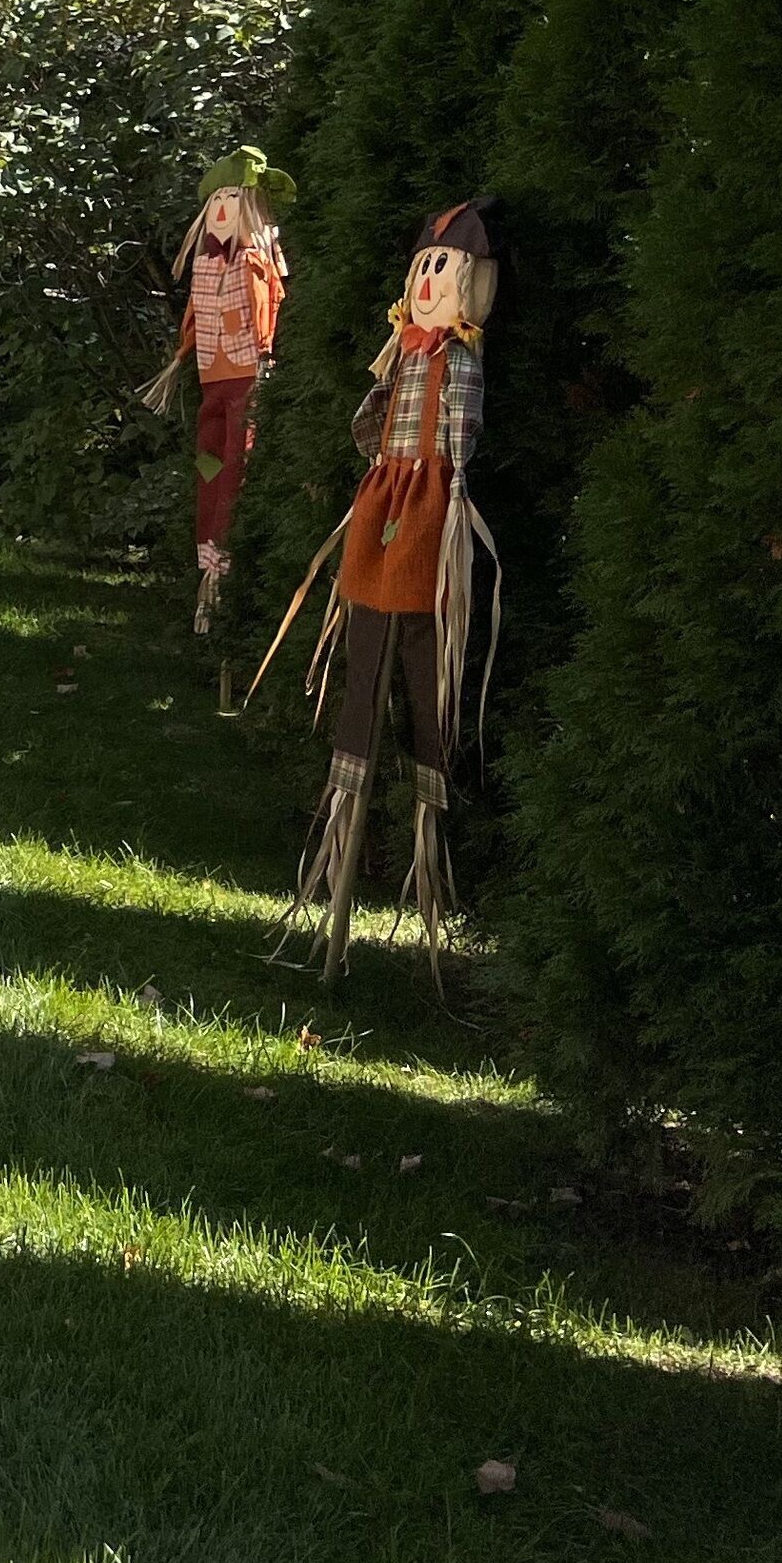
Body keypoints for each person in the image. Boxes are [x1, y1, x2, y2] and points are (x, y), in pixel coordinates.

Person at [250, 201, 498, 989]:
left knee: (422, 665)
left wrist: (449, 492)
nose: (428, 280)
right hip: (380, 506)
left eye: (442, 269)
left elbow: (461, 444)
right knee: (362, 652)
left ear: (469, 285)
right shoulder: (406, 351)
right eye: (422, 266)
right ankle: (339, 833)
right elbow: (373, 421)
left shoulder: (458, 360)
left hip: (427, 513)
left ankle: (423, 866)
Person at [146, 149, 292, 631]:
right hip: (213, 380)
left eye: (235, 196)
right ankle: (207, 564)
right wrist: (182, 358)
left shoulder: (256, 263)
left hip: (246, 380)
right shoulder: (206, 267)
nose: (225, 208)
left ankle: (224, 570)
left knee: (236, 467)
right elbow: (197, 319)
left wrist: (263, 361)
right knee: (209, 465)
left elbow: (264, 319)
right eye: (219, 198)